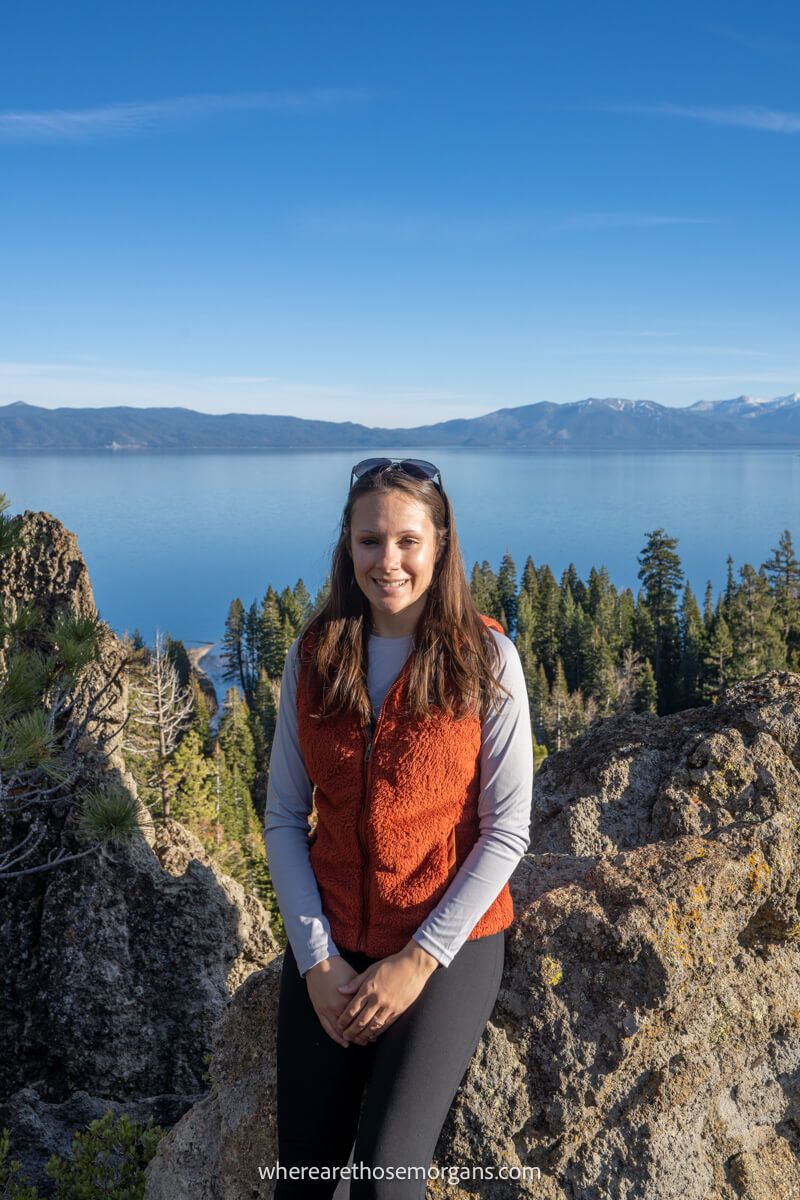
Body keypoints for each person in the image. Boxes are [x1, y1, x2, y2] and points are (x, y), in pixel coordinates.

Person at [264, 458, 533, 1199]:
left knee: (386, 1182)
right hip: (334, 934)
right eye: (369, 541)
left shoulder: (486, 659)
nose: (389, 562)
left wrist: (416, 962)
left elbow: (508, 829)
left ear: (441, 544)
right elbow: (285, 816)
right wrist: (317, 962)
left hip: (449, 941)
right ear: (346, 547)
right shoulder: (314, 657)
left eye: (409, 541)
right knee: (302, 1182)